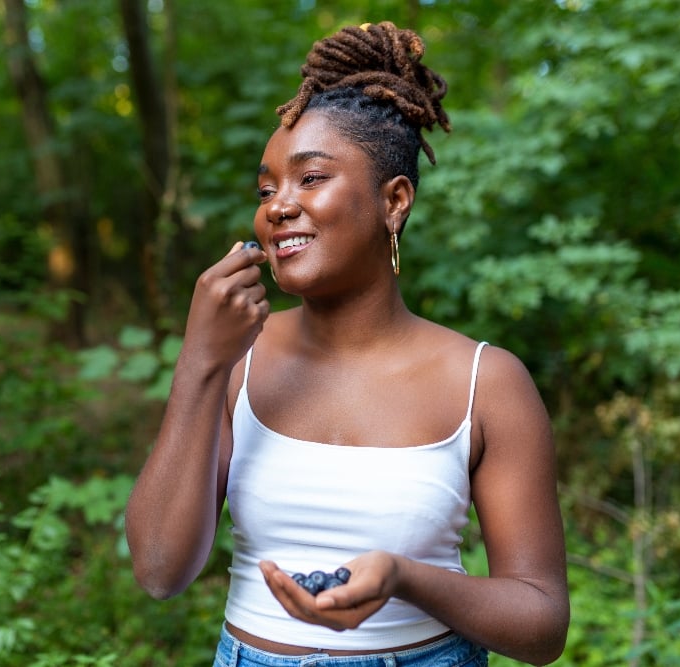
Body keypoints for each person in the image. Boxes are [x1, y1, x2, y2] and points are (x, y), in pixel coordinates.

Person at [125, 20, 569, 667]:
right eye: (267, 188)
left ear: (394, 201)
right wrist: (199, 361)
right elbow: (160, 569)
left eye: (310, 179)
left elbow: (542, 622)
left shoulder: (487, 382)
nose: (278, 206)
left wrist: (403, 576)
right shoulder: (235, 357)